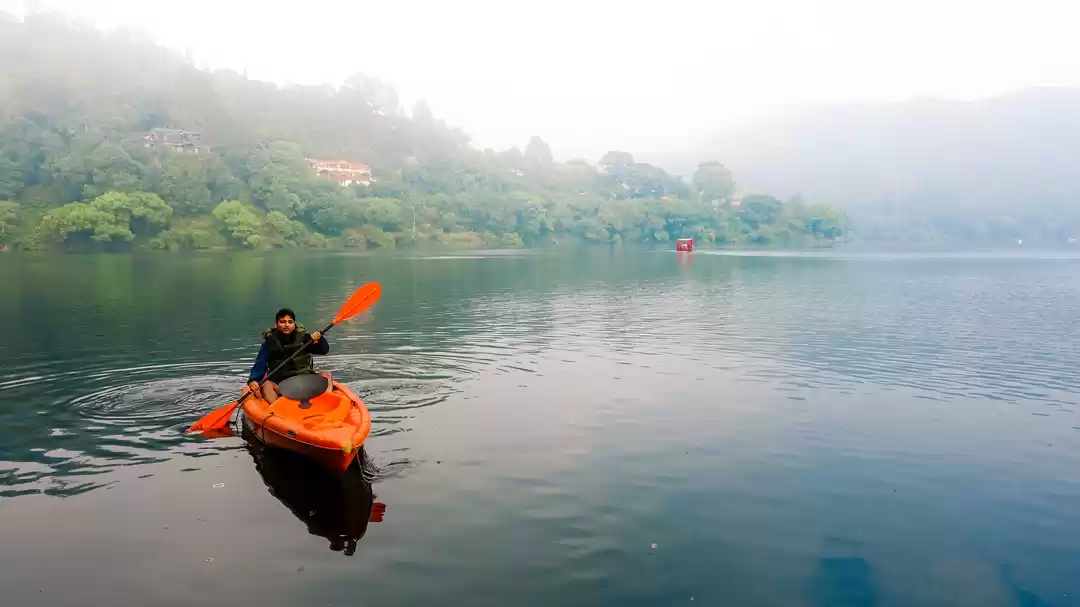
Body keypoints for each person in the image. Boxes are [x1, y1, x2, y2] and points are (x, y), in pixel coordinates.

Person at [246, 308, 331, 403]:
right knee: (266, 384)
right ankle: (277, 408)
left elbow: (324, 350)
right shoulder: (269, 343)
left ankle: (326, 402)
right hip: (282, 386)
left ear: (294, 324)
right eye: (282, 322)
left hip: (306, 383)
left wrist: (320, 340)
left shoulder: (305, 338)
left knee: (326, 374)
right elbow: (260, 364)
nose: (286, 325)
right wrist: (253, 380)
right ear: (276, 324)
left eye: (290, 322)